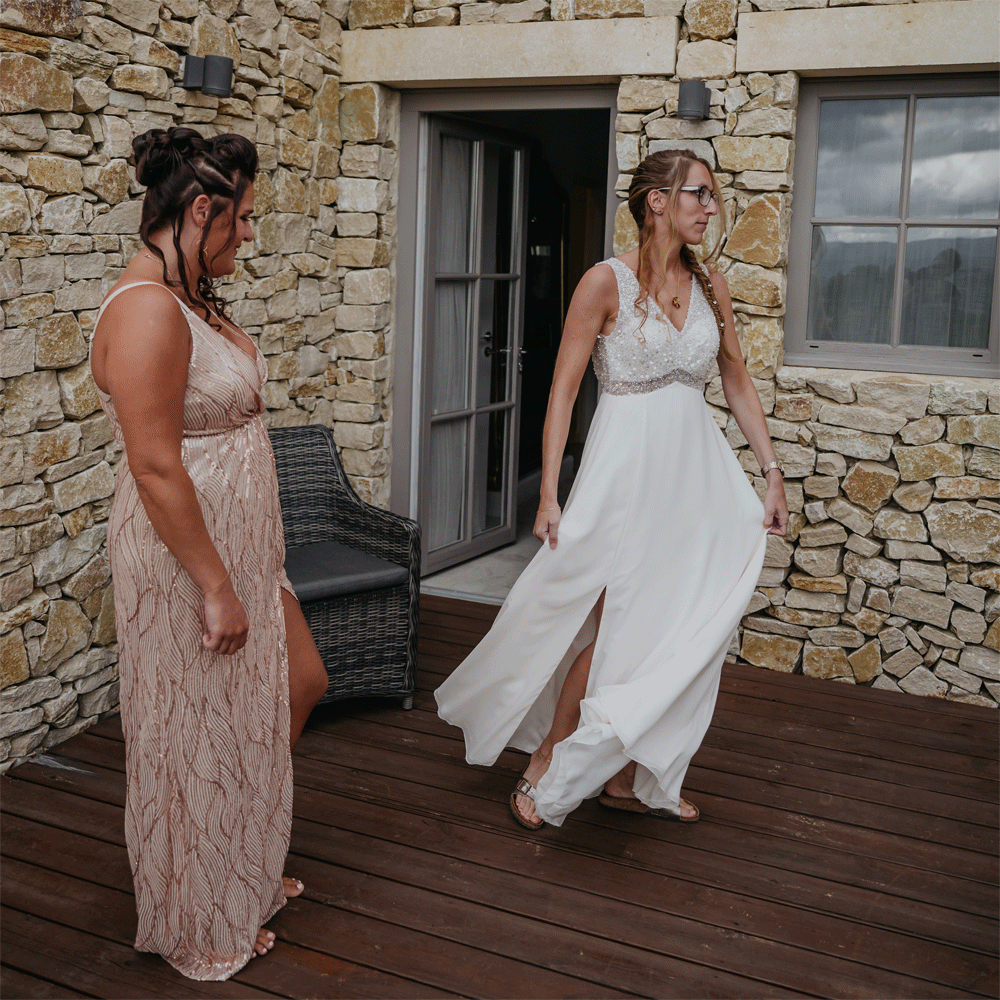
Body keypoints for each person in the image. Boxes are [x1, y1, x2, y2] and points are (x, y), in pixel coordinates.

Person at [435, 149, 789, 830]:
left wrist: (771, 471)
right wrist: (548, 494)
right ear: (657, 200)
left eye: (713, 195)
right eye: (699, 193)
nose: (711, 207)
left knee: (677, 626)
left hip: (695, 481)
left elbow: (737, 380)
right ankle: (549, 757)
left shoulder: (712, 284)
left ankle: (629, 775)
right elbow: (563, 391)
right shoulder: (604, 282)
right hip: (625, 477)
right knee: (614, 625)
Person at [89, 127, 328, 980]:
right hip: (191, 561)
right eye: (244, 218)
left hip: (244, 551)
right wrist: (217, 587)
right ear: (200, 211)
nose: (250, 235)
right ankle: (204, 915)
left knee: (294, 685)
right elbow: (155, 465)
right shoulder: (148, 309)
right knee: (199, 735)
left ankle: (244, 863)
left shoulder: (187, 297)